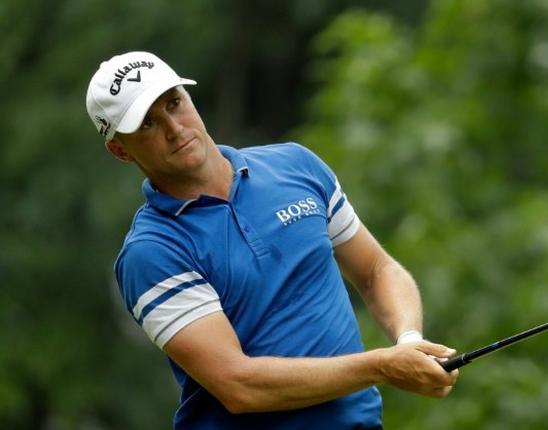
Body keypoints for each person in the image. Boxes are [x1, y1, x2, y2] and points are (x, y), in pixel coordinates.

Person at [85, 51, 459, 429]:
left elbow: (376, 270)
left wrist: (409, 340)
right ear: (119, 149)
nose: (174, 128)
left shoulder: (295, 166)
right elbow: (239, 385)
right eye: (148, 123)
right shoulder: (152, 251)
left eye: (175, 103)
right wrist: (382, 366)